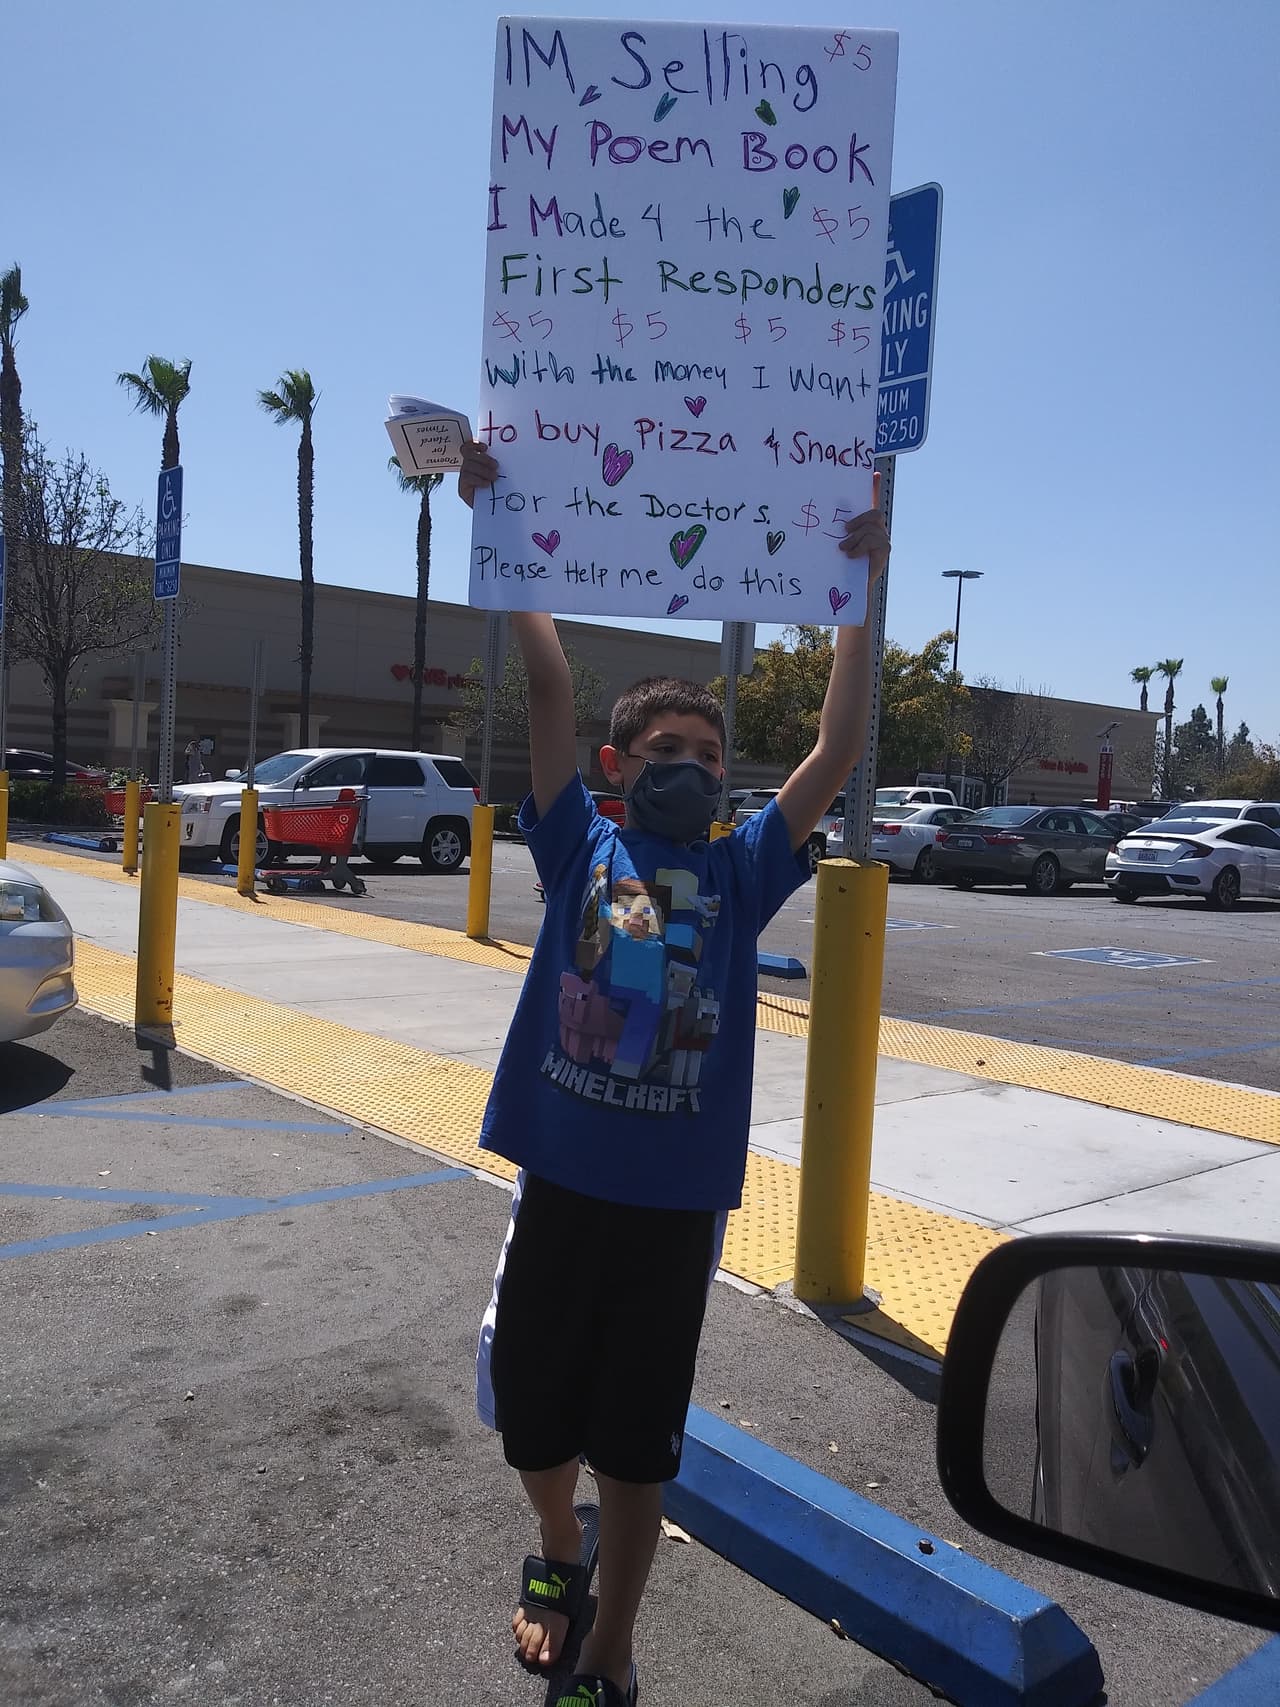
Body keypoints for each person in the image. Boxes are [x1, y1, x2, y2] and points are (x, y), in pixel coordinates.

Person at [461, 443, 890, 1707]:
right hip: (563, 1187)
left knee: (638, 1444)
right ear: (617, 765)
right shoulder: (573, 840)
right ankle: (554, 1549)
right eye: (660, 743)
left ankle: (609, 1650)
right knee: (536, 1417)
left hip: (670, 1218)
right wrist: (505, 526)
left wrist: (859, 596)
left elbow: (837, 744)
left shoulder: (747, 865)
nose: (686, 760)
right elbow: (544, 683)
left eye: (704, 744)